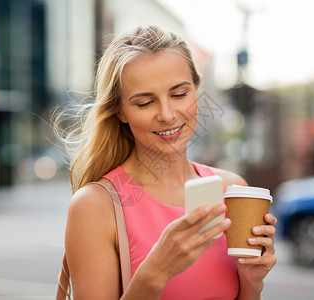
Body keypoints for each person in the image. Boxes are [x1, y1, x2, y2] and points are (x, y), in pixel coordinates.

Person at [56, 25, 277, 300]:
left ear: (197, 89)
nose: (167, 114)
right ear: (120, 112)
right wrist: (155, 272)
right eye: (145, 102)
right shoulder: (95, 206)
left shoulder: (232, 190)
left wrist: (251, 283)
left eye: (179, 94)